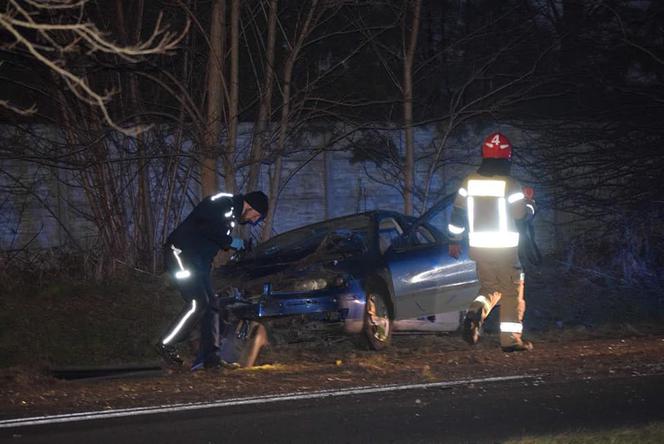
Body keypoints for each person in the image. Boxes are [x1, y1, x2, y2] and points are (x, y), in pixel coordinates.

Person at [156, 190, 268, 368]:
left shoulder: (231, 217)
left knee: (212, 303)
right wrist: (231, 242)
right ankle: (166, 344)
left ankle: (211, 358)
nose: (254, 220)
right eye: (257, 215)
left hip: (196, 262)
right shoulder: (222, 203)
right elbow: (205, 227)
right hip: (179, 254)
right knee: (198, 302)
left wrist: (209, 266)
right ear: (250, 206)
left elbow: (208, 244)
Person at [448, 132, 536, 352]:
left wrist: (454, 240)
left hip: (480, 248)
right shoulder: (510, 184)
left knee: (490, 288)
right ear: (508, 157)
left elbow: (457, 215)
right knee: (512, 292)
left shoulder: (469, 182)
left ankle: (474, 312)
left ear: (484, 155)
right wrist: (530, 203)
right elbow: (520, 215)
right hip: (505, 250)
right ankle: (511, 340)